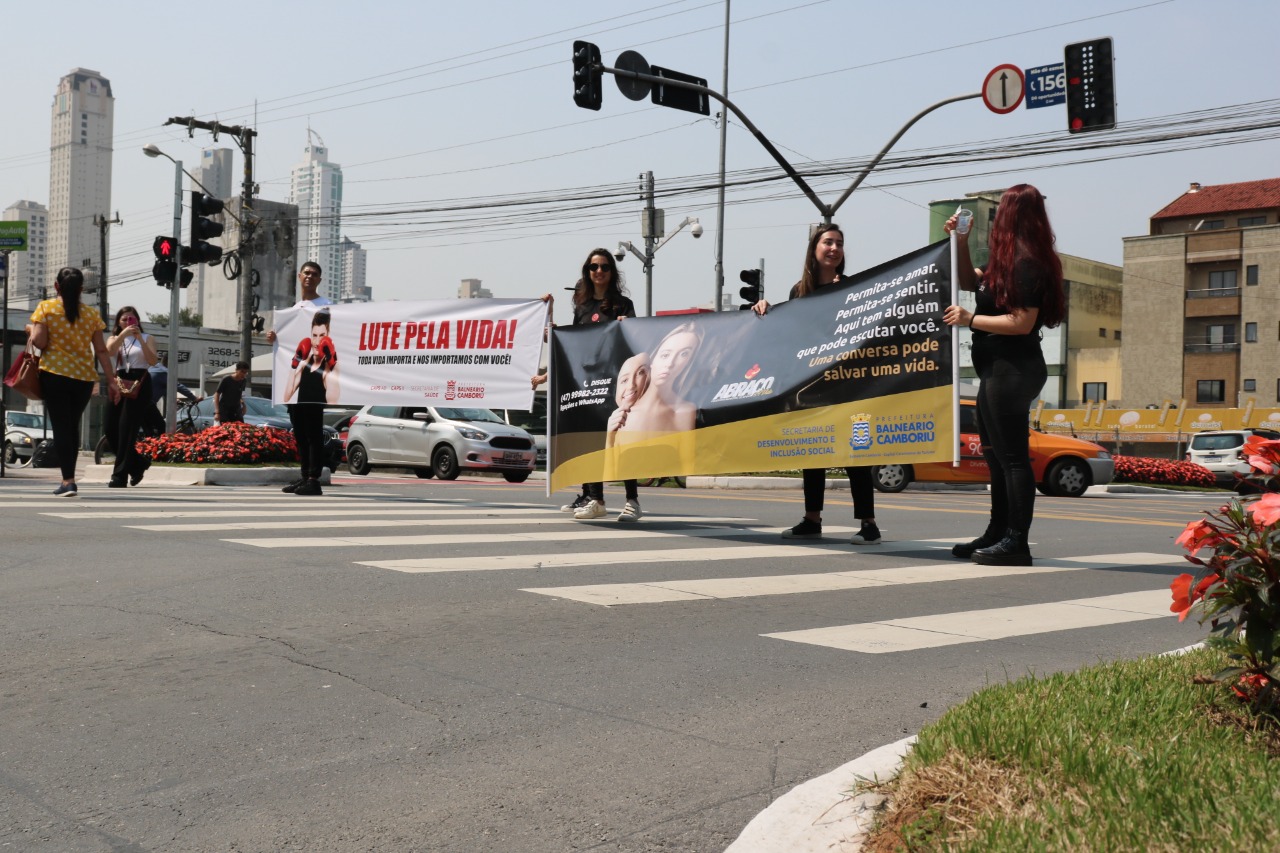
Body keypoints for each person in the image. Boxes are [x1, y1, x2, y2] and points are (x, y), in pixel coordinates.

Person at [943, 184, 1066, 566]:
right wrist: (959, 240)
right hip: (994, 370)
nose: (995, 221)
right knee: (996, 459)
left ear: (1012, 216)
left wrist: (970, 319)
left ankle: (1017, 541)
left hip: (1013, 370)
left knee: (1013, 459)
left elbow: (1022, 322)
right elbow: (967, 282)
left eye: (1001, 213)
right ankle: (998, 532)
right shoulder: (1006, 262)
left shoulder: (1027, 261)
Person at [752, 225, 882, 545]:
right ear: (814, 250)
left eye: (839, 243)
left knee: (856, 454)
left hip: (848, 384)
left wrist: (843, 298)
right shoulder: (800, 291)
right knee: (814, 448)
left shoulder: (853, 288)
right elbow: (791, 331)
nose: (834, 248)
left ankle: (869, 524)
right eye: (828, 242)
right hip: (813, 383)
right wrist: (767, 311)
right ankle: (812, 519)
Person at [26, 267, 119, 496]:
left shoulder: (46, 308)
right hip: (83, 379)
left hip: (55, 375)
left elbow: (39, 342)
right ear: (81, 289)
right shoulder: (91, 315)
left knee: (61, 428)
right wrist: (112, 380)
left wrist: (30, 328)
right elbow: (101, 351)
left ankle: (68, 481)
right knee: (72, 427)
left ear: (56, 286)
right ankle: (69, 477)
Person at [566, 250, 643, 523]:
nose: (599, 271)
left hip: (617, 383)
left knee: (621, 441)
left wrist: (628, 326)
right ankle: (596, 499)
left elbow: (636, 340)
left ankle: (632, 500)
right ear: (587, 271)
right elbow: (573, 343)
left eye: (605, 267)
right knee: (592, 441)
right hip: (588, 383)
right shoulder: (582, 307)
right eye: (594, 266)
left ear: (612, 272)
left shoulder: (624, 304)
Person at [266, 261, 333, 496]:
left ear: (320, 279)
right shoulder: (294, 309)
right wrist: (274, 337)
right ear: (299, 276)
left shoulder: (327, 306)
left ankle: (314, 478)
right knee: (300, 430)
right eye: (306, 272)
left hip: (318, 374)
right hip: (296, 375)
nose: (310, 277)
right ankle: (305, 475)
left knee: (313, 430)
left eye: (315, 274)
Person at [103, 305, 159, 487]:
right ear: (118, 323)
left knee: (127, 429)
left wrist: (139, 340)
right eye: (124, 319)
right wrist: (123, 335)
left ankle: (119, 476)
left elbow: (152, 361)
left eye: (131, 319)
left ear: (138, 321)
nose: (128, 322)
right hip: (119, 381)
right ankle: (138, 464)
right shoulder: (115, 338)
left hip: (140, 381)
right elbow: (109, 352)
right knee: (110, 428)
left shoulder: (147, 337)